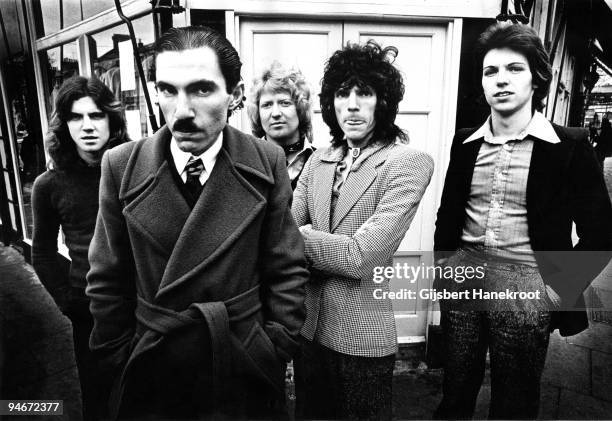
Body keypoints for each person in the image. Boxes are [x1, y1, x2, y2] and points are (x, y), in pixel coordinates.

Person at [86, 26, 308, 420]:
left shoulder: (267, 162)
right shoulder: (120, 166)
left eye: (201, 89)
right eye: (168, 90)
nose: (182, 111)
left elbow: (286, 266)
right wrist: (119, 356)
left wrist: (274, 345)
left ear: (236, 95)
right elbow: (106, 277)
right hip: (153, 366)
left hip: (240, 364)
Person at [433, 23, 612, 419]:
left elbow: (601, 231)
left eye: (514, 69)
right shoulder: (465, 143)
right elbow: (448, 213)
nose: (501, 80)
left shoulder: (568, 146)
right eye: (490, 71)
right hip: (464, 280)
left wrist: (555, 291)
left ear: (537, 79)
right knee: (454, 393)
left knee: (515, 402)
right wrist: (444, 267)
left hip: (527, 284)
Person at [292, 40, 434, 420]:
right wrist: (300, 239)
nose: (352, 104)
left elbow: (361, 257)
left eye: (364, 93)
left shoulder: (407, 162)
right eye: (342, 93)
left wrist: (300, 238)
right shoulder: (318, 160)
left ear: (382, 101)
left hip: (362, 340)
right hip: (308, 331)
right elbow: (284, 235)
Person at [31, 76, 130, 420]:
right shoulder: (49, 185)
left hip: (141, 303)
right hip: (89, 313)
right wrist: (68, 299)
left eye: (96, 115)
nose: (87, 126)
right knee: (98, 399)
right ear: (64, 125)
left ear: (112, 120)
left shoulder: (134, 169)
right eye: (76, 117)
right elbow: (41, 251)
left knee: (145, 395)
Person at [248, 62, 314, 190]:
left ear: (300, 108)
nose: (276, 113)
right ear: (258, 113)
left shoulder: (321, 163)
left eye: (285, 103)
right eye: (267, 105)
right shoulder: (245, 163)